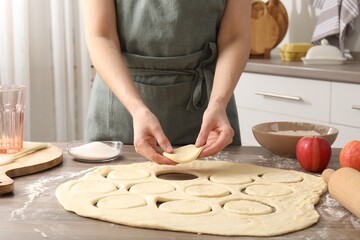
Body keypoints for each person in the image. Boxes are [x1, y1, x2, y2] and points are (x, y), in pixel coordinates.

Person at [81, 0, 251, 165]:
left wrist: (218, 103)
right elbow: (101, 36)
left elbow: (234, 37)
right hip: (121, 111)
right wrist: (137, 109)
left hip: (209, 114)